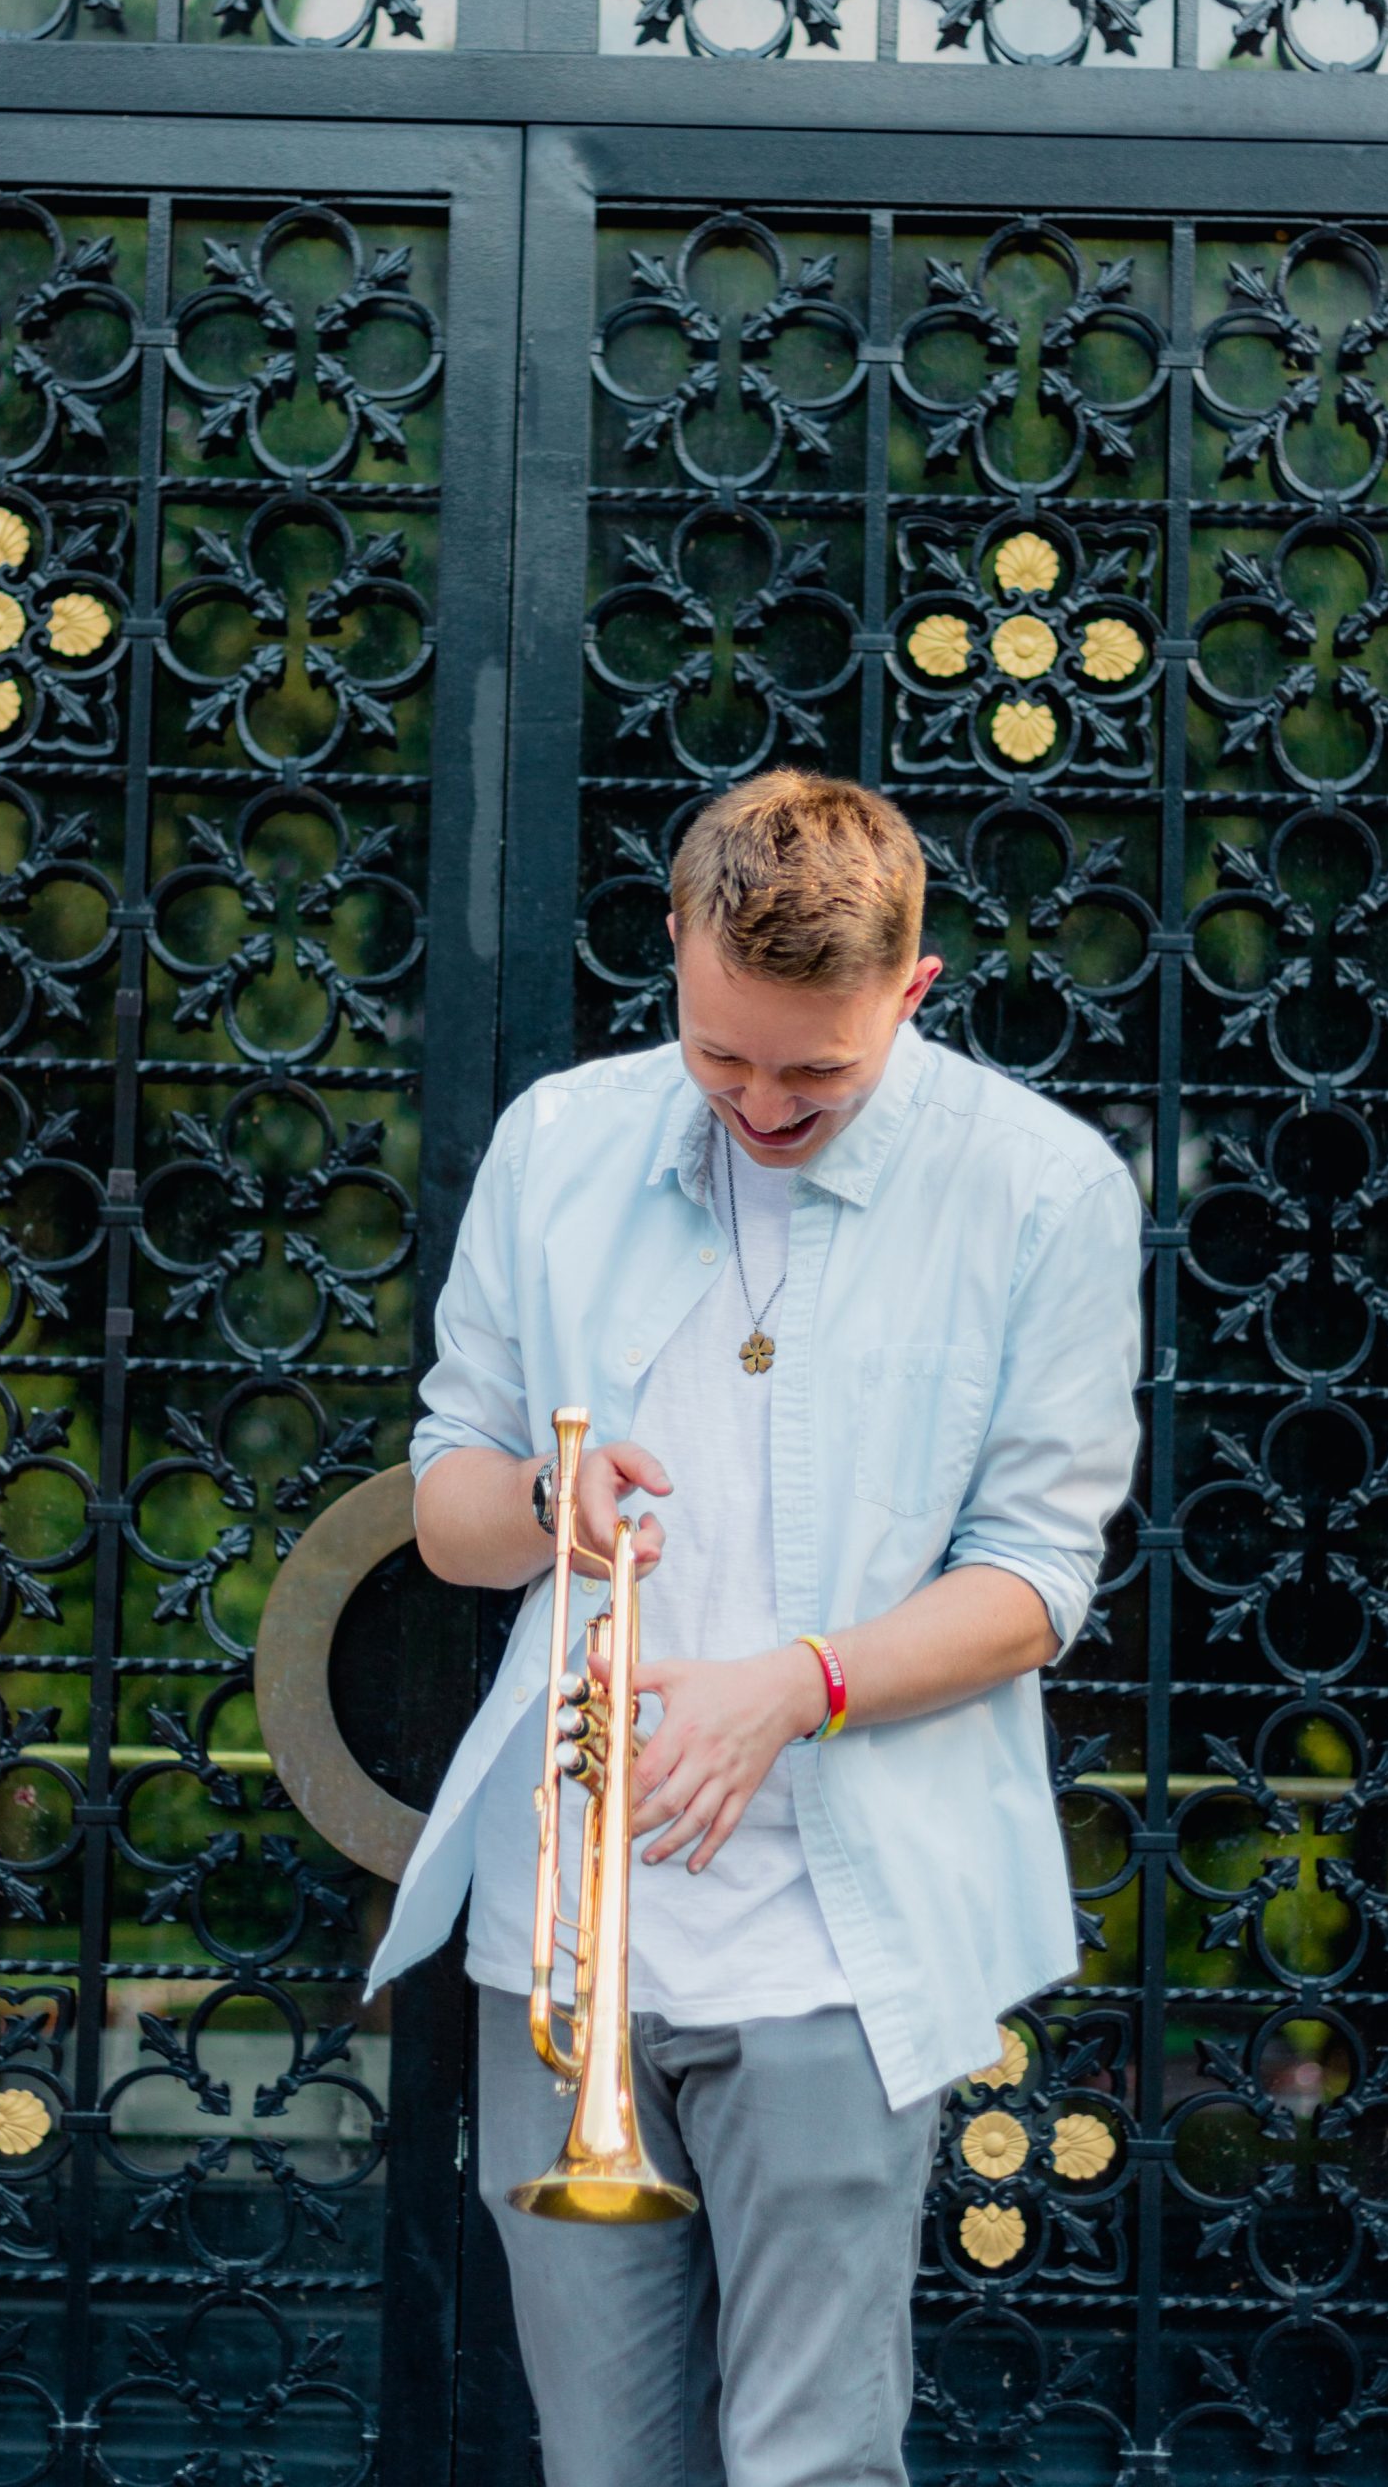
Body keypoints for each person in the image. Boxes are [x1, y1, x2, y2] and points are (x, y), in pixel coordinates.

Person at [364, 769, 1143, 2487]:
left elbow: (1035, 1581)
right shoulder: (561, 1141)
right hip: (567, 1937)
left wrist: (795, 1690)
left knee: (811, 2465)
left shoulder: (1045, 1190)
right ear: (673, 949)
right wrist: (539, 1505)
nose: (763, 1106)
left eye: (819, 1072)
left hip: (834, 1949)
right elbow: (446, 1500)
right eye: (722, 1058)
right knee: (603, 2467)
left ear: (915, 989)